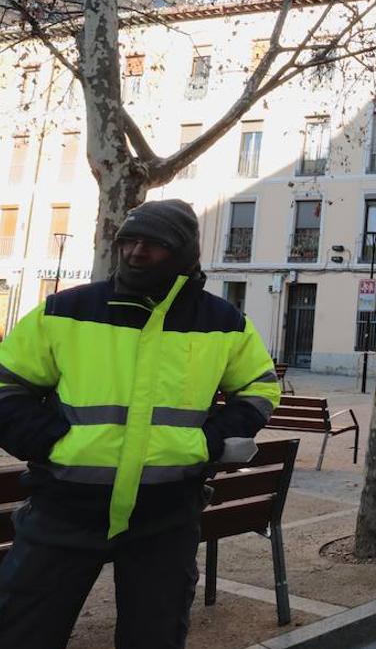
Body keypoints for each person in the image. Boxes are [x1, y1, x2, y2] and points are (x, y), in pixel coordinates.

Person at [0, 199, 281, 649]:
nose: (135, 252)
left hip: (166, 517)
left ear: (186, 253)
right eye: (127, 241)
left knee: (154, 638)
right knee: (22, 632)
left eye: (154, 245)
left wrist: (207, 441)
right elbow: (6, 381)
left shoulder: (223, 322)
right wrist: (46, 440)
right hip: (63, 509)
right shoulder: (65, 310)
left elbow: (260, 388)